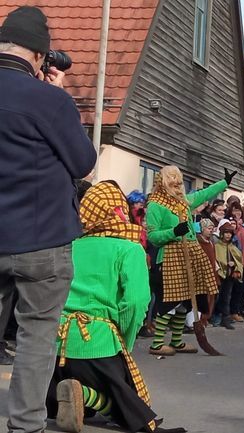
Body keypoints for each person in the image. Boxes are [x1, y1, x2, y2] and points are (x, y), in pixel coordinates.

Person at [0, 6, 97, 432]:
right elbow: (83, 163)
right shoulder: (50, 100)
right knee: (35, 339)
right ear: (40, 56)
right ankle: (25, 426)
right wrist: (59, 97)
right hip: (41, 241)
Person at [45, 181, 185, 433]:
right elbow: (136, 301)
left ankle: (73, 395)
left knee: (61, 392)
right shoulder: (129, 248)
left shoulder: (69, 245)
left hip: (56, 348)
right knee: (131, 407)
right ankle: (85, 396)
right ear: (120, 209)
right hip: (97, 344)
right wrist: (124, 340)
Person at [146, 166, 235, 355]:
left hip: (190, 255)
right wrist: (173, 232)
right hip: (170, 257)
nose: (177, 183)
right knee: (169, 301)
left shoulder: (183, 202)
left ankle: (177, 341)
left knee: (186, 301)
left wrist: (224, 183)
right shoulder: (155, 205)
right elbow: (152, 236)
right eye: (173, 180)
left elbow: (204, 194)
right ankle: (158, 343)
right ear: (163, 182)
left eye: (179, 179)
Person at [214, 221, 243, 329]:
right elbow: (215, 259)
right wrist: (224, 265)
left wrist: (234, 265)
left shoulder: (233, 247)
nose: (228, 235)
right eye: (226, 233)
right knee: (217, 297)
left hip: (229, 276)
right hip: (219, 275)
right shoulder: (216, 246)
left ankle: (225, 318)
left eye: (230, 233)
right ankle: (215, 315)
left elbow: (239, 261)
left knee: (226, 297)